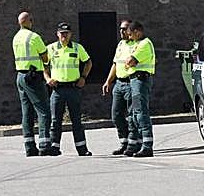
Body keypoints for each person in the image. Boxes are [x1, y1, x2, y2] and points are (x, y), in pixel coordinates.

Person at [46, 22, 93, 157]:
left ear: (71, 34)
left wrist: (83, 77)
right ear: (57, 34)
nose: (64, 36)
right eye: (62, 33)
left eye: (66, 33)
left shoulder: (78, 48)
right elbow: (43, 65)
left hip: (73, 88)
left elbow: (88, 62)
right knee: (55, 120)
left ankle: (82, 148)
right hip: (57, 89)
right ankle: (54, 148)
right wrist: (48, 78)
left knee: (76, 120)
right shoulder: (51, 48)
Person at [12, 11, 52, 157]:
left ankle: (29, 146)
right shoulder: (34, 37)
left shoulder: (16, 37)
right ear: (29, 21)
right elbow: (45, 56)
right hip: (33, 76)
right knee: (43, 110)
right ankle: (44, 145)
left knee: (26, 112)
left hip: (20, 76)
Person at [123, 20, 156, 158]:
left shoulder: (144, 44)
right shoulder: (137, 44)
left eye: (131, 34)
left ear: (137, 32)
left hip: (140, 80)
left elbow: (130, 61)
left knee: (141, 112)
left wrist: (129, 63)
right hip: (135, 80)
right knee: (135, 113)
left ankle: (147, 146)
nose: (129, 37)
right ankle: (138, 143)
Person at [101, 19, 134, 156]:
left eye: (124, 28)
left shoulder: (137, 44)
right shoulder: (120, 44)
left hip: (131, 83)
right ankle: (124, 141)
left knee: (132, 116)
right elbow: (115, 64)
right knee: (116, 115)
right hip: (119, 84)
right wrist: (108, 81)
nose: (121, 31)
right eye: (120, 28)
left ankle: (134, 143)